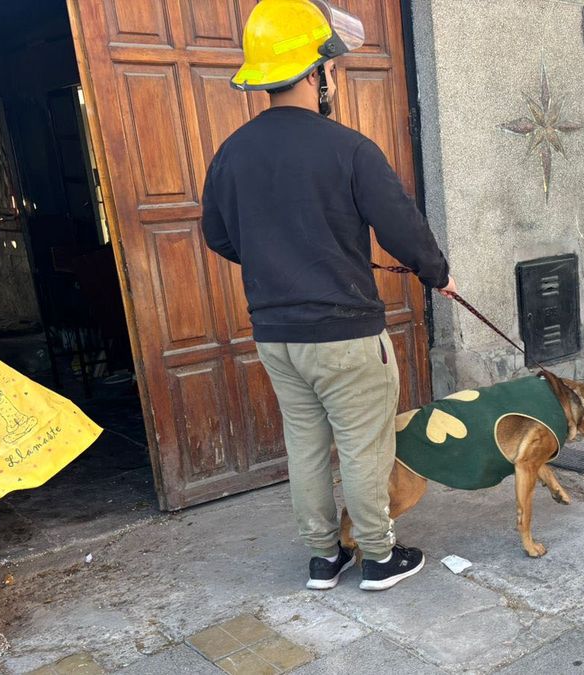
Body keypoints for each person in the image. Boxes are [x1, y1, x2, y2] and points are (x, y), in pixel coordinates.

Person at [201, 0, 457, 591]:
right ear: (317, 72)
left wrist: (276, 260)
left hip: (276, 337)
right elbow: (401, 225)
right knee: (366, 446)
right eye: (331, 68)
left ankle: (323, 557)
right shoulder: (349, 149)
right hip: (345, 335)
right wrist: (435, 273)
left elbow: (218, 235)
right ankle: (377, 556)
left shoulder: (231, 154)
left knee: (307, 446)